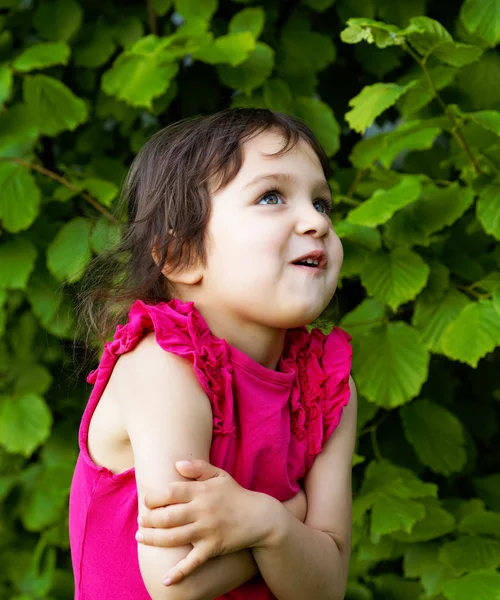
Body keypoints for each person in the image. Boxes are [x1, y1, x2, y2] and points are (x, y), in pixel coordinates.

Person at [69, 108, 357, 600]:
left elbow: (327, 586)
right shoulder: (161, 364)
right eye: (272, 196)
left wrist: (266, 523)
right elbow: (177, 582)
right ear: (182, 254)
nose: (315, 222)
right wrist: (291, 519)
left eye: (322, 203)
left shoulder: (327, 387)